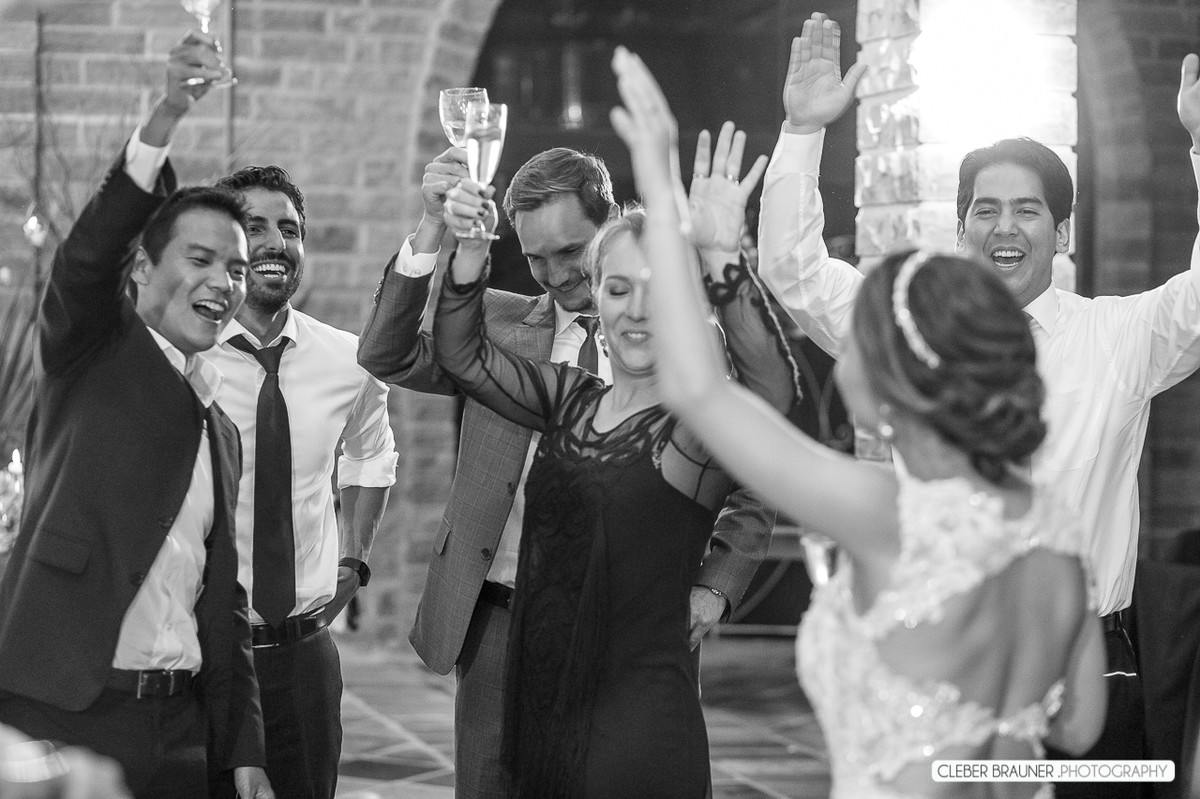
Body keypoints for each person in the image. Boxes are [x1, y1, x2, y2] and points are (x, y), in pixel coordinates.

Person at [606, 45, 1108, 797]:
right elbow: (1075, 730)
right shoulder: (1057, 532)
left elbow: (697, 389)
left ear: (900, 380)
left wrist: (658, 182)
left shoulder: (891, 514)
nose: (843, 362)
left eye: (862, 343)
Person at [756, 11, 1200, 777]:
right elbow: (797, 276)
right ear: (961, 227)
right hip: (944, 665)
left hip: (1088, 664)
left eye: (1028, 209)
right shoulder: (917, 332)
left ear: (1062, 233)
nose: (1005, 226)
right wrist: (802, 130)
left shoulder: (1121, 337)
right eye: (985, 209)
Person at [357, 144, 774, 797]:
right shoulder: (494, 325)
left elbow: (752, 467)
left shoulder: (686, 339)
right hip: (501, 620)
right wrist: (432, 229)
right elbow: (385, 351)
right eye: (535, 257)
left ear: (608, 225)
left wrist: (714, 587)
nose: (555, 273)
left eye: (570, 250)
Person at [0, 33, 272, 799]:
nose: (225, 281)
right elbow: (86, 258)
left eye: (239, 269)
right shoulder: (91, 348)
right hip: (65, 708)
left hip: (179, 732)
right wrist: (167, 115)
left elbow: (224, 596)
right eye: (202, 259)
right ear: (146, 269)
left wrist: (243, 745)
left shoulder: (220, 425)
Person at [202, 165, 397, 799]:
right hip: (203, 653)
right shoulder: (182, 358)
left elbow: (372, 454)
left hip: (304, 659)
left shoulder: (350, 359)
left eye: (289, 229)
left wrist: (354, 560)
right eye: (253, 227)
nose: (274, 243)